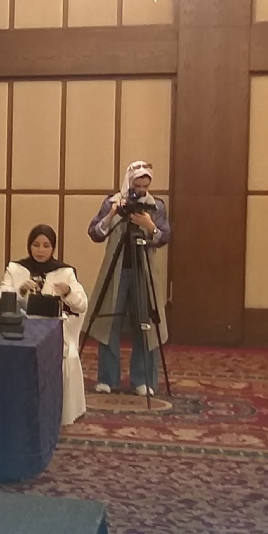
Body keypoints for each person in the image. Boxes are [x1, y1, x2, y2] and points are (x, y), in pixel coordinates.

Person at [84, 160, 171, 396]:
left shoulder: (156, 206)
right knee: (108, 323)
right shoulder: (112, 202)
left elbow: (164, 237)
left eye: (145, 186)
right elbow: (95, 233)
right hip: (116, 269)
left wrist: (150, 226)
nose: (140, 191)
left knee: (146, 323)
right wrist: (113, 212)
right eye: (136, 186)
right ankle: (107, 378)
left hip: (144, 269)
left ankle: (143, 380)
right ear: (128, 182)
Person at [2, 225, 89, 424]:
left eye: (46, 245)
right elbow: (1, 298)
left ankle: (55, 411)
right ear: (29, 246)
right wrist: (20, 291)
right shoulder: (16, 269)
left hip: (55, 330)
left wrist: (68, 292)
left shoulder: (65, 272)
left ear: (53, 248)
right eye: (36, 245)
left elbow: (82, 305)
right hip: (23, 328)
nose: (40, 250)